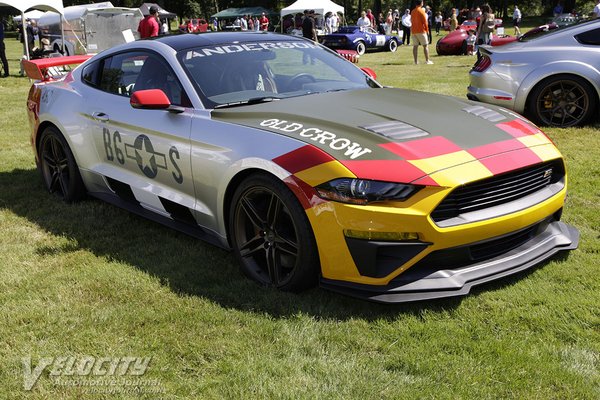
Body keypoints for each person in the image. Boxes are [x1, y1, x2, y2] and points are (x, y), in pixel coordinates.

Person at [410, 0, 433, 64]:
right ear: (421, 3)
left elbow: (411, 20)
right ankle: (427, 60)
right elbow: (425, 22)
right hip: (421, 30)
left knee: (415, 46)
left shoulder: (412, 11)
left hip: (414, 31)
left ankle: (415, 61)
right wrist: (427, 30)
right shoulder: (422, 11)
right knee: (425, 46)